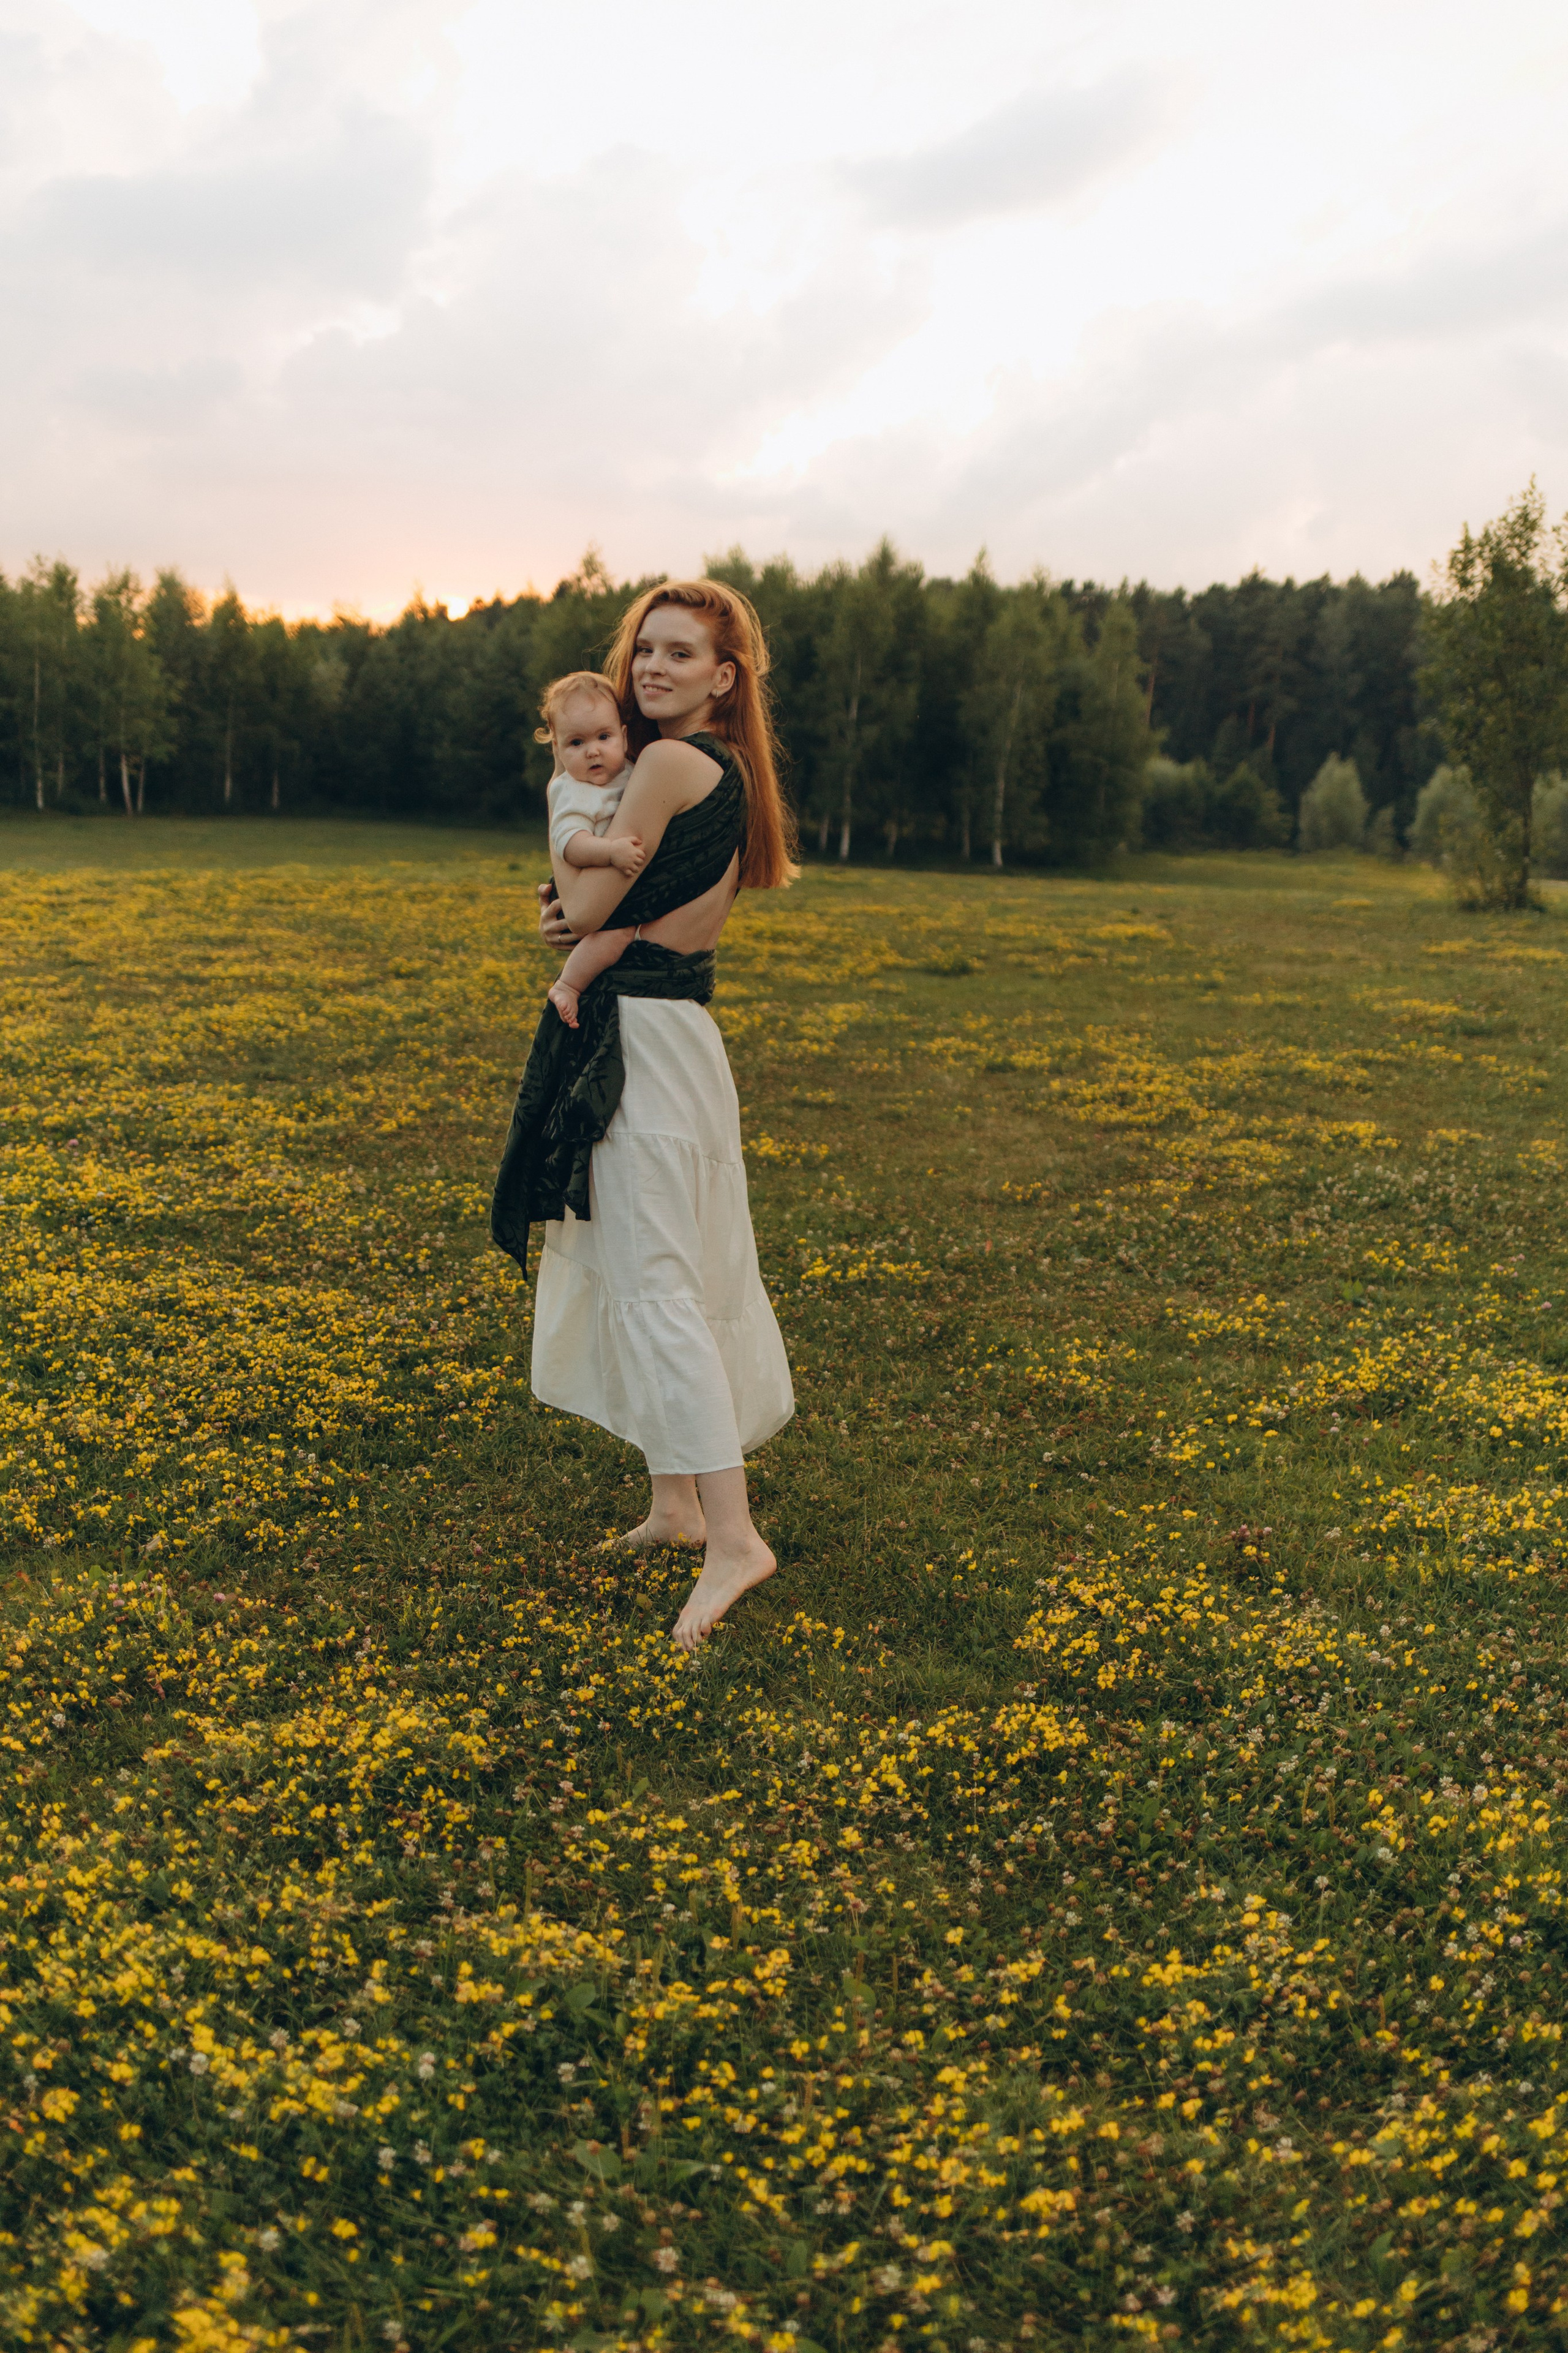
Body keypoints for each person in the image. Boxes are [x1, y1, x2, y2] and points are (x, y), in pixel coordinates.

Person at [491, 580, 797, 1651]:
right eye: (644, 652)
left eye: (680, 654)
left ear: (725, 675)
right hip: (671, 1032)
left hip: (647, 1048)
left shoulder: (666, 763)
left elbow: (577, 909)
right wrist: (575, 910)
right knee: (652, 1261)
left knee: (660, 1281)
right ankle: (676, 1504)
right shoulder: (731, 769)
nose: (654, 668)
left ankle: (734, 1535)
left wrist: (560, 906)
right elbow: (612, 906)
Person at [538, 671, 645, 1029]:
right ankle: (568, 985)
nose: (593, 750)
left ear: (624, 736)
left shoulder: (632, 772)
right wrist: (610, 851)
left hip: (617, 890)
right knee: (617, 935)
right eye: (577, 743)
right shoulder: (574, 790)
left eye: (604, 736)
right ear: (558, 750)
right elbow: (570, 843)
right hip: (591, 886)